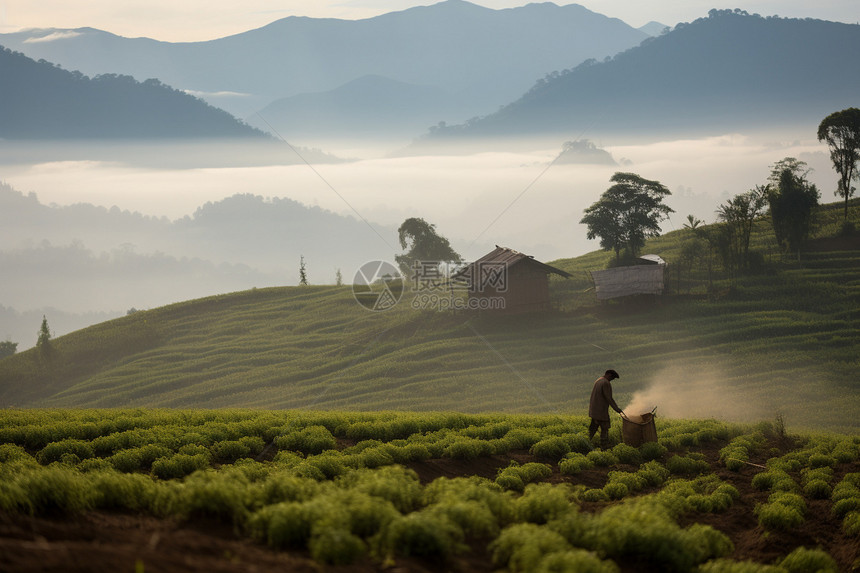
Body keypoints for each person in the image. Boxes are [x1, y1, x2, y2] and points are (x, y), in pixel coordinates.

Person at [588, 369, 624, 449]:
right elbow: (609, 398)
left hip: (594, 411)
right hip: (601, 411)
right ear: (609, 375)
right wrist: (617, 409)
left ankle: (584, 445)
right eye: (612, 378)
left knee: (592, 429)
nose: (612, 380)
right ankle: (604, 447)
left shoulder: (598, 380)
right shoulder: (606, 383)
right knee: (605, 428)